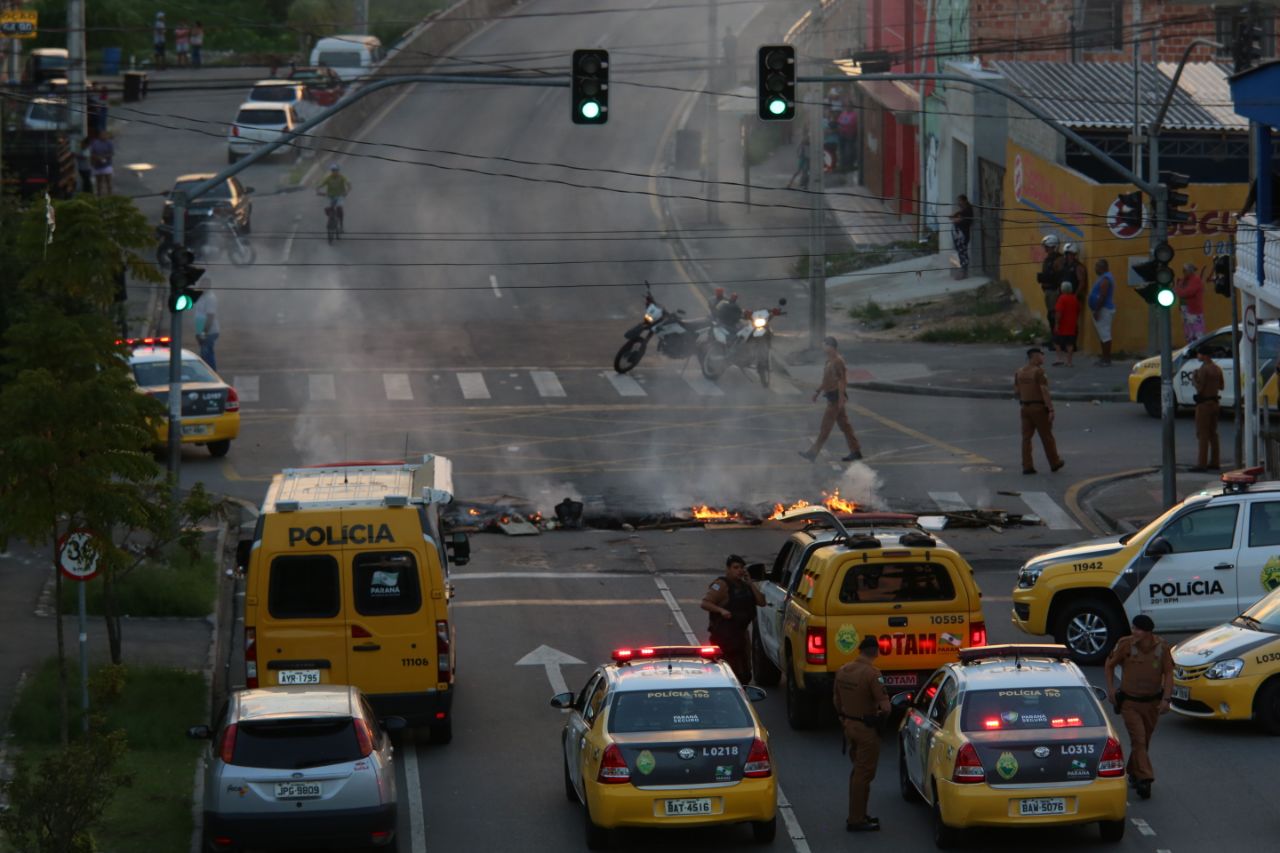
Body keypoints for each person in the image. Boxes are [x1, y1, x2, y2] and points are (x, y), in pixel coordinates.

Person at [1104, 614, 1173, 800]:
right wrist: (1111, 690)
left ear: (1148, 632)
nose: (1134, 632)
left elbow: (1168, 673)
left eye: (1138, 629)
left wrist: (1166, 699)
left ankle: (1134, 772)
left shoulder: (1162, 648)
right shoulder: (1126, 644)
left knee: (1143, 741)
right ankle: (1146, 778)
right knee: (1139, 739)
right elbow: (1109, 665)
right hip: (1130, 704)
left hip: (1152, 704)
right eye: (1133, 628)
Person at [833, 636, 890, 832]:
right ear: (876, 651)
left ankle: (859, 813)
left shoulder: (843, 670)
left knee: (857, 771)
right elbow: (886, 706)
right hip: (867, 729)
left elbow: (836, 700)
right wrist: (882, 717)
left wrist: (844, 719)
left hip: (849, 725)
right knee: (864, 774)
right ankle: (856, 819)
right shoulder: (873, 673)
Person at [699, 555, 764, 684]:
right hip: (723, 636)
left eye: (741, 568)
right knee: (724, 671)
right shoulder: (721, 585)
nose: (739, 570)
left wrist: (751, 583)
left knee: (744, 671)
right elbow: (705, 603)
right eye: (735, 567)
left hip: (741, 634)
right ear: (728, 569)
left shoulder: (746, 586)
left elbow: (762, 602)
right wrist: (721, 610)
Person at [800, 336, 862, 462]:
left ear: (831, 347)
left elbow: (842, 381)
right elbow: (826, 380)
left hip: (835, 399)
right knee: (845, 426)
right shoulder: (829, 361)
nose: (823, 347)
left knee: (825, 428)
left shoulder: (838, 361)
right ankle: (855, 451)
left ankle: (813, 453)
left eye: (824, 345)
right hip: (832, 397)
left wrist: (840, 399)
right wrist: (817, 391)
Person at [1014, 346, 1064, 474]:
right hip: (1038, 407)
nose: (1043, 357)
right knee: (1047, 436)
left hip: (1024, 407)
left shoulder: (1019, 372)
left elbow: (1017, 390)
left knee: (1026, 438)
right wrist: (1051, 409)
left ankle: (1027, 466)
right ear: (1035, 357)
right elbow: (1044, 390)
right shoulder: (1039, 372)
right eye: (1042, 355)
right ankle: (1054, 462)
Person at [1190, 346, 1224, 472]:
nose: (1198, 356)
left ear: (1204, 355)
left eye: (1199, 354)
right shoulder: (1217, 369)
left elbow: (1199, 388)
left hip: (1204, 405)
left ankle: (1201, 464)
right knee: (1213, 434)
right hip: (1215, 403)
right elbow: (1221, 385)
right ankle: (1215, 462)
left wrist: (1194, 378)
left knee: (1202, 434)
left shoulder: (1204, 369)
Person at [1088, 258, 1116, 365]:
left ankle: (1107, 359)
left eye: (1097, 266)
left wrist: (1097, 310)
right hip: (1103, 309)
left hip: (1104, 310)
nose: (1095, 269)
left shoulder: (1105, 279)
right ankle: (1104, 358)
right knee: (1103, 334)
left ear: (1103, 267)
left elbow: (1103, 296)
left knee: (1105, 335)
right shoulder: (1104, 278)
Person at [1036, 235, 1064, 332]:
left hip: (1054, 291)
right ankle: (1054, 338)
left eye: (1047, 247)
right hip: (1048, 290)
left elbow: (1060, 277)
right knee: (1050, 314)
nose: (1045, 249)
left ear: (1053, 246)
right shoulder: (1049, 259)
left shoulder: (1059, 259)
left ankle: (1057, 339)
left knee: (1053, 315)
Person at [1176, 262, 1206, 344]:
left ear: (1190, 271)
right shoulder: (1183, 281)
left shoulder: (1196, 280)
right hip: (1185, 310)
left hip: (1194, 311)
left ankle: (1199, 348)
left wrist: (1178, 290)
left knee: (1198, 333)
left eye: (1185, 270)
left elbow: (1188, 292)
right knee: (1188, 333)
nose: (1183, 272)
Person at [1052, 281, 1080, 367]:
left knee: (1056, 341)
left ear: (1062, 289)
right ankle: (1069, 361)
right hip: (1072, 325)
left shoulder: (1062, 298)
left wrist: (1056, 323)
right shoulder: (1074, 298)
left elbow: (1058, 312)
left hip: (1063, 325)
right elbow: (1078, 310)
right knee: (1070, 344)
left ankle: (1059, 359)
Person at [194, 282, 219, 370]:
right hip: (202, 331)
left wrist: (203, 333)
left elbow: (210, 317)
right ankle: (209, 375)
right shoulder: (202, 297)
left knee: (207, 355)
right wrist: (198, 332)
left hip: (209, 332)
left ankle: (211, 375)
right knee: (205, 355)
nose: (201, 286)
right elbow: (199, 315)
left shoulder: (210, 298)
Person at [949, 195, 974, 278]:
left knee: (962, 253)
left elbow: (966, 221)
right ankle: (959, 271)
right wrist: (955, 217)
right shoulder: (963, 210)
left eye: (960, 201)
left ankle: (963, 272)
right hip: (958, 237)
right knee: (959, 252)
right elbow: (955, 216)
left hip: (962, 236)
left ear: (964, 201)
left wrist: (957, 219)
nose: (958, 203)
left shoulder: (968, 210)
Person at [836, 102, 858, 173]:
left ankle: (849, 165)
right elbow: (839, 121)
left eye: (849, 106)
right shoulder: (843, 113)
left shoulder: (854, 115)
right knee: (842, 151)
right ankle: (843, 166)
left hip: (850, 135)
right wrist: (840, 126)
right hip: (842, 134)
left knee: (849, 151)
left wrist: (843, 124)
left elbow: (851, 123)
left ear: (852, 107)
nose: (847, 108)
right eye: (847, 106)